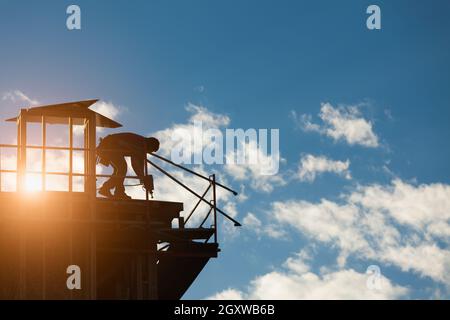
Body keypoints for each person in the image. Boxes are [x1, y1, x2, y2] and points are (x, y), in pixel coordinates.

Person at [96, 132, 160, 199]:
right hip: (109, 145)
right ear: (150, 146)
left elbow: (140, 164)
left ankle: (107, 189)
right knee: (122, 168)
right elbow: (135, 164)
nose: (148, 152)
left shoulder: (141, 145)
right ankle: (118, 192)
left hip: (108, 144)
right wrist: (142, 177)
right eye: (151, 150)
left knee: (118, 170)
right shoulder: (140, 144)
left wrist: (142, 177)